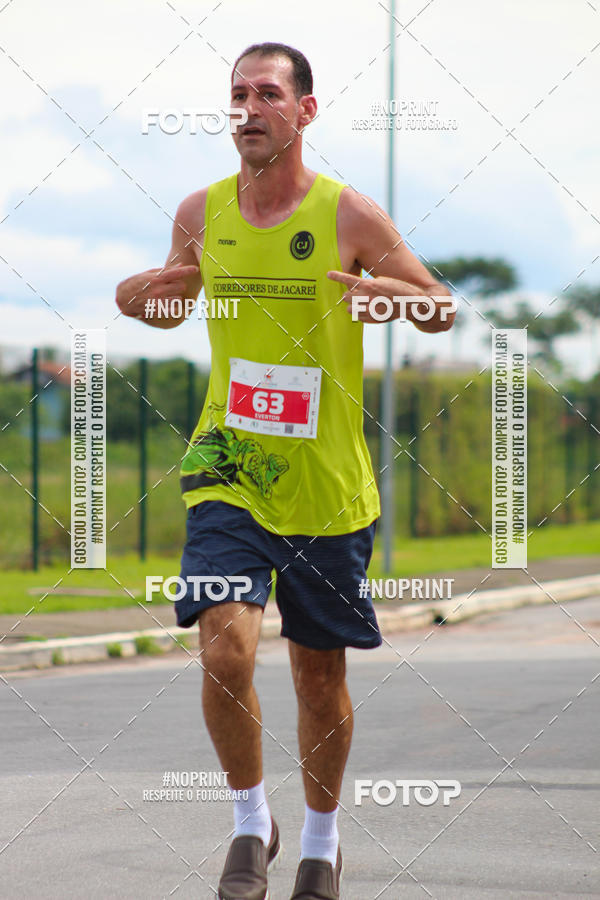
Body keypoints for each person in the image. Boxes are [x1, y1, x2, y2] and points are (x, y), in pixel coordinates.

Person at [116, 41, 454, 900]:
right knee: (225, 649)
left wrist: (391, 298)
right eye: (236, 94)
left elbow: (439, 307)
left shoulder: (350, 214)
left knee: (317, 673)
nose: (248, 107)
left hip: (328, 483)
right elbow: (171, 307)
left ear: (304, 110)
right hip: (229, 461)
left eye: (266, 92)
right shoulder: (201, 210)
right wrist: (152, 293)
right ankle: (247, 823)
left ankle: (320, 840)